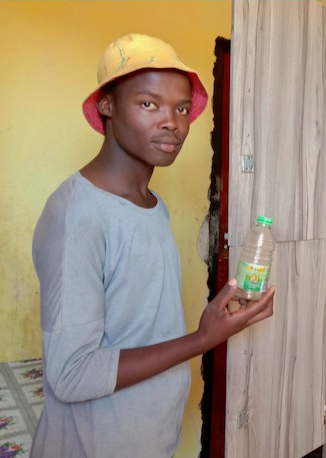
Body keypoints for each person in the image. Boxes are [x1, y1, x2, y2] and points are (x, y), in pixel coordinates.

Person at [31, 33, 275, 458]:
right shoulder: (77, 216)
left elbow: (140, 324)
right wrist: (202, 338)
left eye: (182, 108)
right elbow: (72, 375)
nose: (172, 123)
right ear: (107, 105)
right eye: (149, 104)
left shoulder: (151, 204)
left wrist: (217, 319)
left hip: (146, 437)